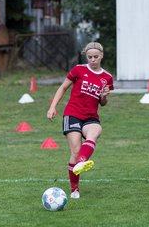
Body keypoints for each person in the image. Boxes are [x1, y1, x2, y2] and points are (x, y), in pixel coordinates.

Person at [47, 42, 114, 198]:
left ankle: (82, 162)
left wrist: (104, 96)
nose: (92, 60)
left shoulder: (107, 78)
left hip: (91, 116)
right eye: (89, 57)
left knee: (96, 131)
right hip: (73, 113)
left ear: (101, 56)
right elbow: (63, 87)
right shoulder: (78, 70)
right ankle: (74, 189)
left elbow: (103, 103)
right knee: (75, 151)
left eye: (95, 57)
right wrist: (52, 107)